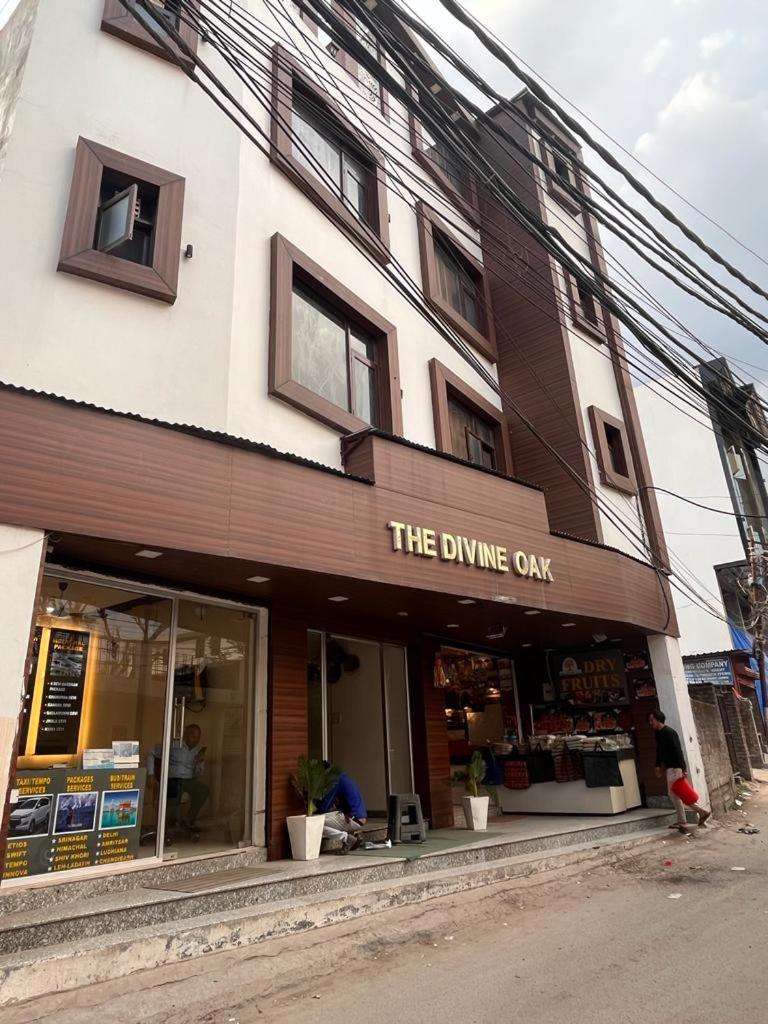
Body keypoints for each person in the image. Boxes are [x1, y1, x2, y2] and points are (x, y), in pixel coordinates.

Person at [649, 709, 710, 832]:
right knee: (676, 794)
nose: (650, 723)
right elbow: (659, 751)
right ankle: (690, 816)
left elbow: (678, 751)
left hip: (675, 767)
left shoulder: (669, 732)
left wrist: (683, 768)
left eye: (652, 720)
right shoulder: (658, 734)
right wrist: (657, 765)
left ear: (658, 719)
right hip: (670, 768)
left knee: (675, 794)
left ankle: (696, 813)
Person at [148, 724, 209, 835]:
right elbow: (152, 752)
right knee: (175, 787)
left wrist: (199, 763)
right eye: (193, 737)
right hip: (172, 778)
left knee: (203, 788)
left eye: (198, 737)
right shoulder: (174, 745)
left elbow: (198, 775)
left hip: (189, 780)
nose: (195, 740)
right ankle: (172, 823)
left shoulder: (198, 751)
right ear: (185, 735)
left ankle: (188, 819)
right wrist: (151, 774)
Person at [318, 766, 367, 853]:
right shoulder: (346, 778)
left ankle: (346, 838)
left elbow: (325, 806)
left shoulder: (335, 780)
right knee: (333, 817)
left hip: (351, 819)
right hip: (360, 819)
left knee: (316, 823)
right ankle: (355, 835)